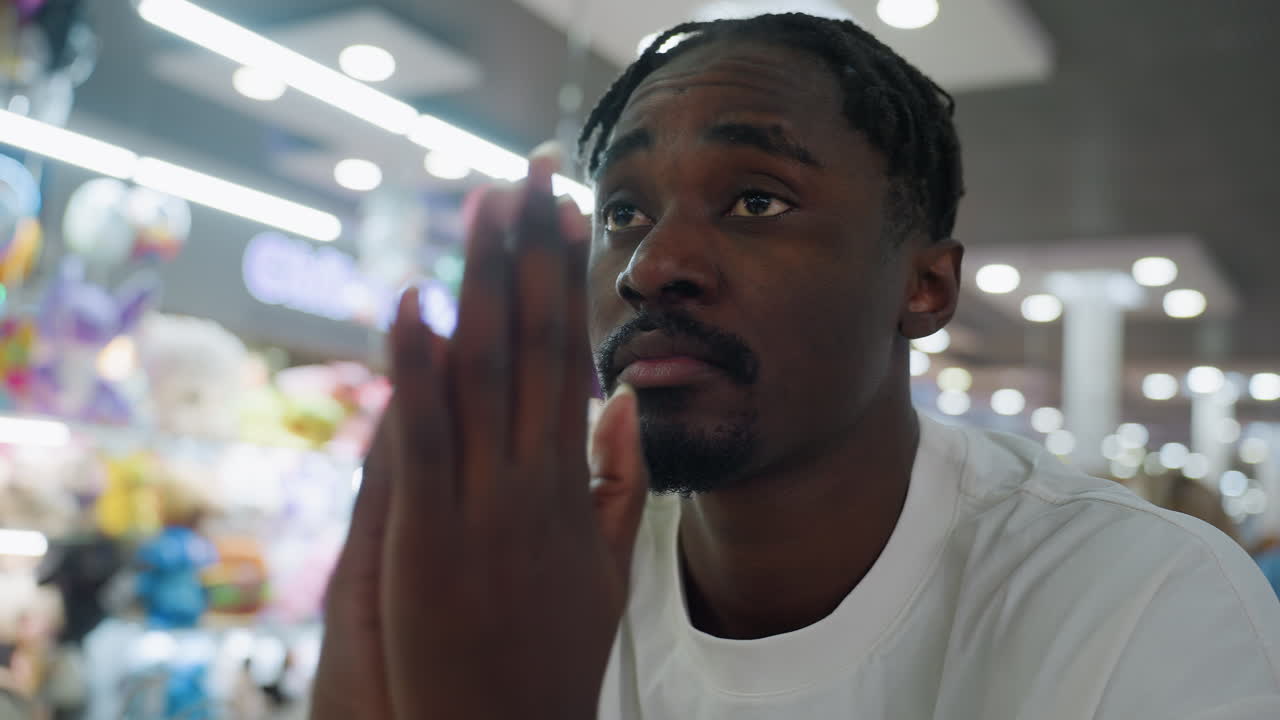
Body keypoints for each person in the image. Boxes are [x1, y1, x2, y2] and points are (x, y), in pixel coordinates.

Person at [311, 13, 1280, 719]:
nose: (651, 267)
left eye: (756, 201)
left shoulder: (1138, 599)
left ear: (925, 286)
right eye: (623, 212)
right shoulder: (514, 582)